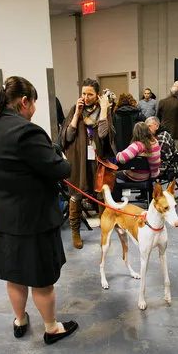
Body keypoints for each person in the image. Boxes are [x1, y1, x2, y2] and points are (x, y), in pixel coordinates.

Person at [0, 76, 78, 344]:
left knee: (15, 275)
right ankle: (51, 327)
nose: (34, 108)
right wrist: (60, 157)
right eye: (33, 102)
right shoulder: (27, 131)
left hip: (3, 216)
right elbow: (60, 169)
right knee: (41, 280)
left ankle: (20, 320)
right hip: (33, 218)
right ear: (24, 101)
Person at [60, 78, 116, 249]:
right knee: (76, 194)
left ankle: (104, 233)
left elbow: (104, 135)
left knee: (100, 196)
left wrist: (105, 110)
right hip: (79, 160)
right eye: (83, 93)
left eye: (90, 94)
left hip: (98, 160)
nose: (86, 97)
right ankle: (75, 233)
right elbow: (68, 137)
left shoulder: (103, 110)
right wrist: (77, 114)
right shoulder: (74, 110)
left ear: (97, 95)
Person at [112, 121, 161, 201]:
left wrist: (118, 154)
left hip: (136, 177)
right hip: (150, 176)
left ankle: (117, 202)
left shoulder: (137, 145)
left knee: (114, 176)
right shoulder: (155, 142)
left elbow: (121, 158)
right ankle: (147, 196)